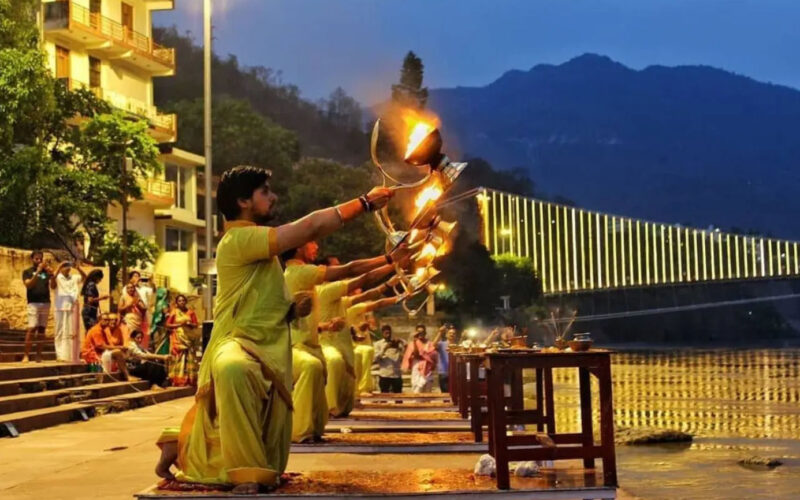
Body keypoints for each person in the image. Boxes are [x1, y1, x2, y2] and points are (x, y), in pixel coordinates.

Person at [154, 165, 393, 493]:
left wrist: (294, 310)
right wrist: (364, 203)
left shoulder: (265, 255)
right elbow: (311, 226)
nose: (273, 197)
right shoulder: (238, 240)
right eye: (265, 191)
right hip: (237, 340)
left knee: (273, 421)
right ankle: (245, 473)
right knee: (233, 369)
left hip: (270, 344)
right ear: (242, 201)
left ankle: (178, 445)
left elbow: (266, 305)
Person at [282, 241, 407, 443]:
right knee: (318, 365)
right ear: (298, 247)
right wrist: (391, 260)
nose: (316, 246)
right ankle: (299, 430)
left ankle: (315, 426)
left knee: (322, 365)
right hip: (298, 346)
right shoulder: (302, 274)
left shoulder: (311, 285)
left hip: (312, 344)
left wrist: (394, 279)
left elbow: (370, 295)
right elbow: (356, 272)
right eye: (311, 242)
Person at [317, 266, 395, 418]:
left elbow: (369, 297)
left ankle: (343, 404)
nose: (340, 273)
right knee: (335, 361)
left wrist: (393, 289)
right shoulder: (326, 291)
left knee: (349, 365)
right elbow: (364, 279)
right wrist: (391, 262)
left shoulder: (341, 302)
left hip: (342, 343)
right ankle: (329, 407)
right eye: (335, 269)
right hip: (326, 343)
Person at [50, 260, 86, 363]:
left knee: (72, 331)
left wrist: (78, 268)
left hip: (73, 307)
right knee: (60, 331)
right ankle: (60, 355)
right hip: (60, 307)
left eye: (68, 266)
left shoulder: (74, 277)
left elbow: (85, 278)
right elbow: (52, 285)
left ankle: (72, 354)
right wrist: (59, 266)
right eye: (65, 266)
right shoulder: (57, 277)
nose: (67, 267)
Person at [21, 250, 53, 363]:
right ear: (32, 259)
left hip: (46, 302)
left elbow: (53, 285)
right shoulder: (27, 272)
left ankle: (38, 355)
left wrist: (52, 274)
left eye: (40, 258)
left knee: (41, 329)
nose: (39, 260)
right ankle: (26, 355)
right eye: (36, 259)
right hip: (33, 303)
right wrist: (38, 272)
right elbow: (29, 285)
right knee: (32, 328)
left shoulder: (46, 273)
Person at [80, 313, 130, 379]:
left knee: (120, 353)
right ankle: (126, 376)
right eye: (105, 320)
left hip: (100, 353)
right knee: (118, 352)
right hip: (91, 355)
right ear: (99, 320)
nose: (107, 322)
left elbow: (107, 345)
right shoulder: (96, 330)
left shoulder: (103, 330)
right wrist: (119, 347)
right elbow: (101, 346)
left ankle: (124, 375)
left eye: (108, 320)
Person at [166, 294, 200, 387]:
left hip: (188, 337)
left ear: (186, 302)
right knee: (179, 356)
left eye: (183, 300)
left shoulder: (190, 312)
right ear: (177, 303)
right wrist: (179, 325)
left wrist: (189, 324)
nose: (181, 302)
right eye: (179, 301)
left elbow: (196, 324)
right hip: (178, 337)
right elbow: (168, 324)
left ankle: (189, 379)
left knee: (189, 356)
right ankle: (178, 379)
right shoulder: (174, 312)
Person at [402, 324, 439, 393]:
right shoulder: (412, 343)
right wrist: (415, 341)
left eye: (422, 332)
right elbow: (416, 355)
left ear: (425, 333)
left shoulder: (429, 344)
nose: (420, 333)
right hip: (417, 369)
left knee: (427, 393)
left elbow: (432, 355)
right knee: (417, 391)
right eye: (418, 332)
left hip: (427, 371)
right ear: (416, 332)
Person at [374, 324, 406, 393]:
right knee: (384, 397)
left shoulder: (396, 343)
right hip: (385, 374)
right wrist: (385, 348)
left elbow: (405, 354)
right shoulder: (378, 344)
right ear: (382, 333)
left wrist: (401, 341)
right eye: (386, 333)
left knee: (398, 398)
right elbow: (375, 358)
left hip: (396, 374)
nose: (388, 335)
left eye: (389, 333)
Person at [119, 282, 147, 348]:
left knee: (137, 335)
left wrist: (139, 305)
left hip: (137, 319)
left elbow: (144, 309)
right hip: (129, 319)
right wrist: (128, 305)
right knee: (129, 335)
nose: (130, 289)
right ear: (126, 290)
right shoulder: (123, 297)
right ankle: (129, 349)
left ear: (134, 289)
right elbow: (119, 309)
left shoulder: (137, 298)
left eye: (132, 288)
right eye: (128, 288)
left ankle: (136, 349)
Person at [149, 288, 171, 355]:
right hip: (161, 326)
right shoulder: (163, 303)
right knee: (162, 342)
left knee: (158, 342)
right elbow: (166, 314)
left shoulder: (158, 303)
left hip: (157, 326)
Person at [436, 326, 457, 393]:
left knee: (454, 392)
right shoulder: (441, 344)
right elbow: (433, 345)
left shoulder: (458, 346)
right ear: (446, 335)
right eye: (450, 333)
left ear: (456, 335)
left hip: (455, 372)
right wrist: (440, 332)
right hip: (443, 372)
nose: (452, 334)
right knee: (445, 393)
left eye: (453, 333)